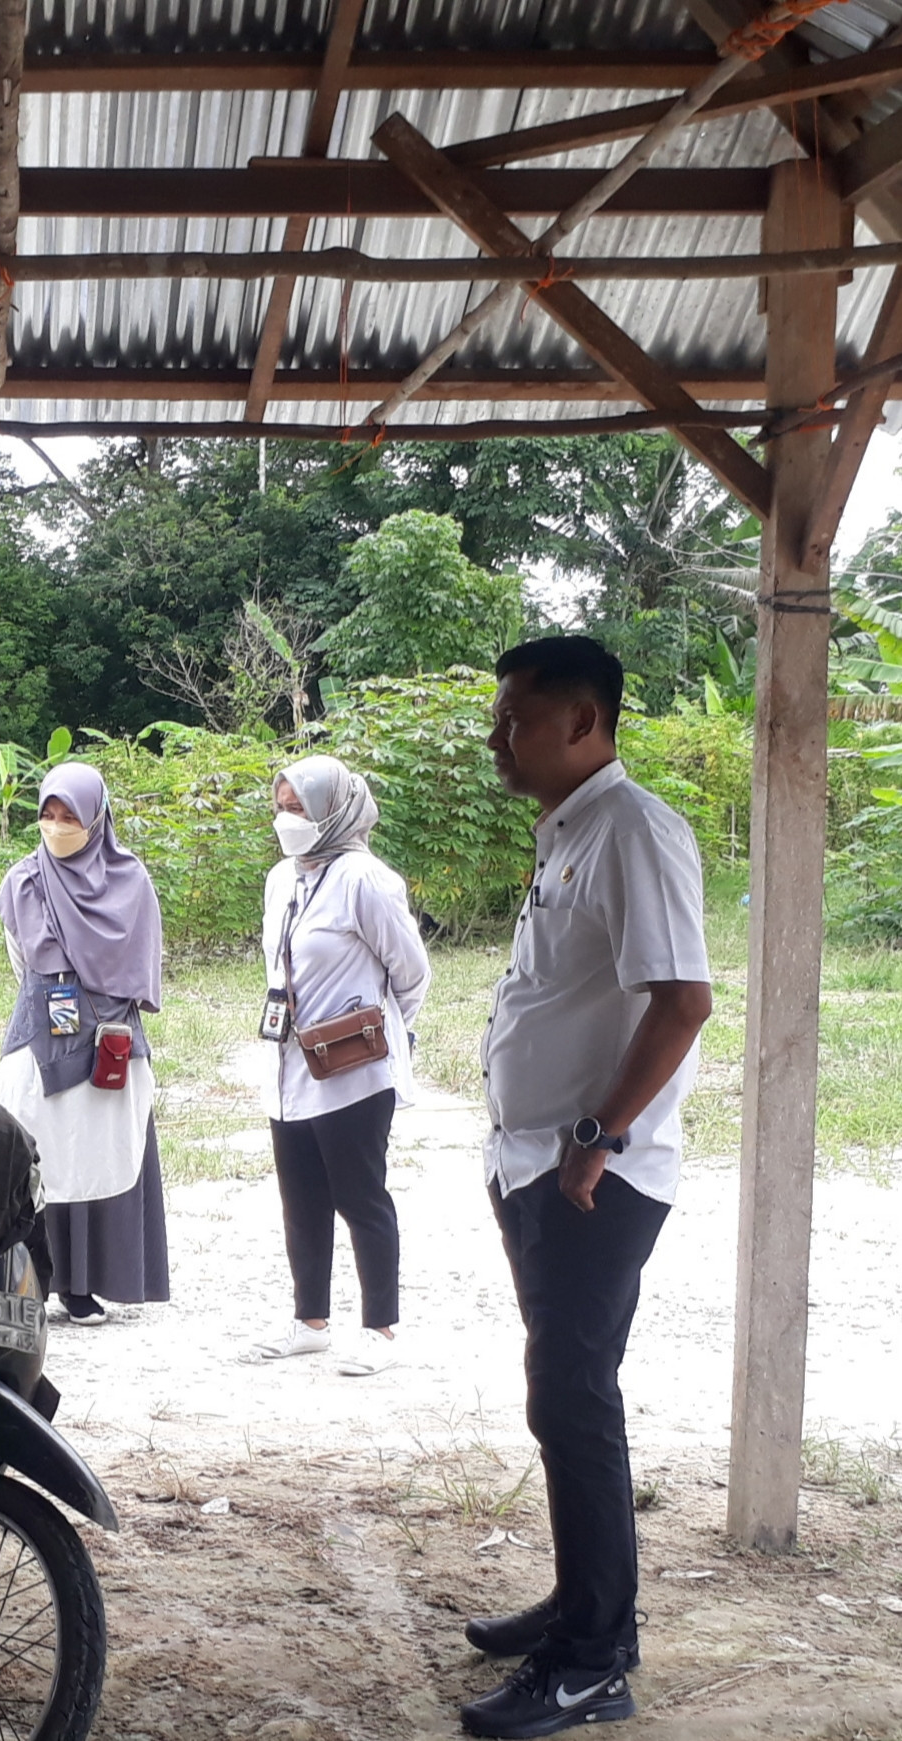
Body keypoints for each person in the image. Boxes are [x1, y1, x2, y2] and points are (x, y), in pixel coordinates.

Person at [458, 636, 712, 1740]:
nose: (497, 738)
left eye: (515, 717)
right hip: (541, 1163)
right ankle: (578, 1599)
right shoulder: (570, 831)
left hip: (591, 1176)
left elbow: (682, 1000)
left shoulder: (633, 829)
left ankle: (594, 1657)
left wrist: (597, 1137)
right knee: (557, 1392)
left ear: (582, 720)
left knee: (574, 1396)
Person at [244, 755, 430, 1377]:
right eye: (281, 807)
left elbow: (411, 972)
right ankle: (310, 1321)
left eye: (299, 808)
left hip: (354, 1068)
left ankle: (380, 1326)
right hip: (288, 1065)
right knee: (301, 1196)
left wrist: (379, 1030)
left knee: (360, 1195)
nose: (287, 819)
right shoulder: (281, 880)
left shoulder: (364, 878)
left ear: (332, 810)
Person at [0, 762, 169, 1324]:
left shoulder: (131, 881)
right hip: (40, 1041)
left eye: (71, 815)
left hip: (110, 1046)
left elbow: (141, 965)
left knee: (100, 1151)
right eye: (48, 813)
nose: (58, 825)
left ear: (97, 818)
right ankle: (28, 1280)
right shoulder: (24, 881)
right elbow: (22, 962)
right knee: (33, 1152)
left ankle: (86, 1285)